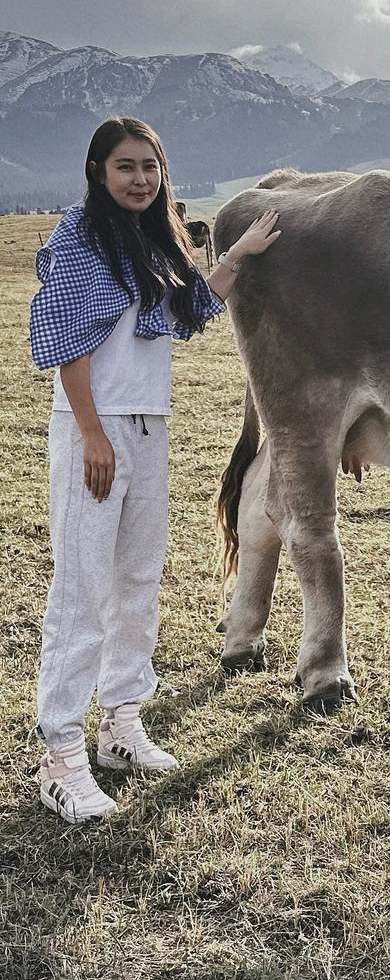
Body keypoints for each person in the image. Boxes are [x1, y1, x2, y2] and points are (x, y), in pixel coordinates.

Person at [28, 117, 281, 824]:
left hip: (147, 427)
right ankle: (59, 757)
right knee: (80, 591)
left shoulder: (152, 238)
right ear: (97, 171)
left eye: (150, 167)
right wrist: (89, 434)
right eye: (125, 167)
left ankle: (119, 724)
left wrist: (238, 253)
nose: (140, 179)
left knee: (137, 581)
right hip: (95, 430)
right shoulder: (77, 240)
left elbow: (190, 309)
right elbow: (69, 344)